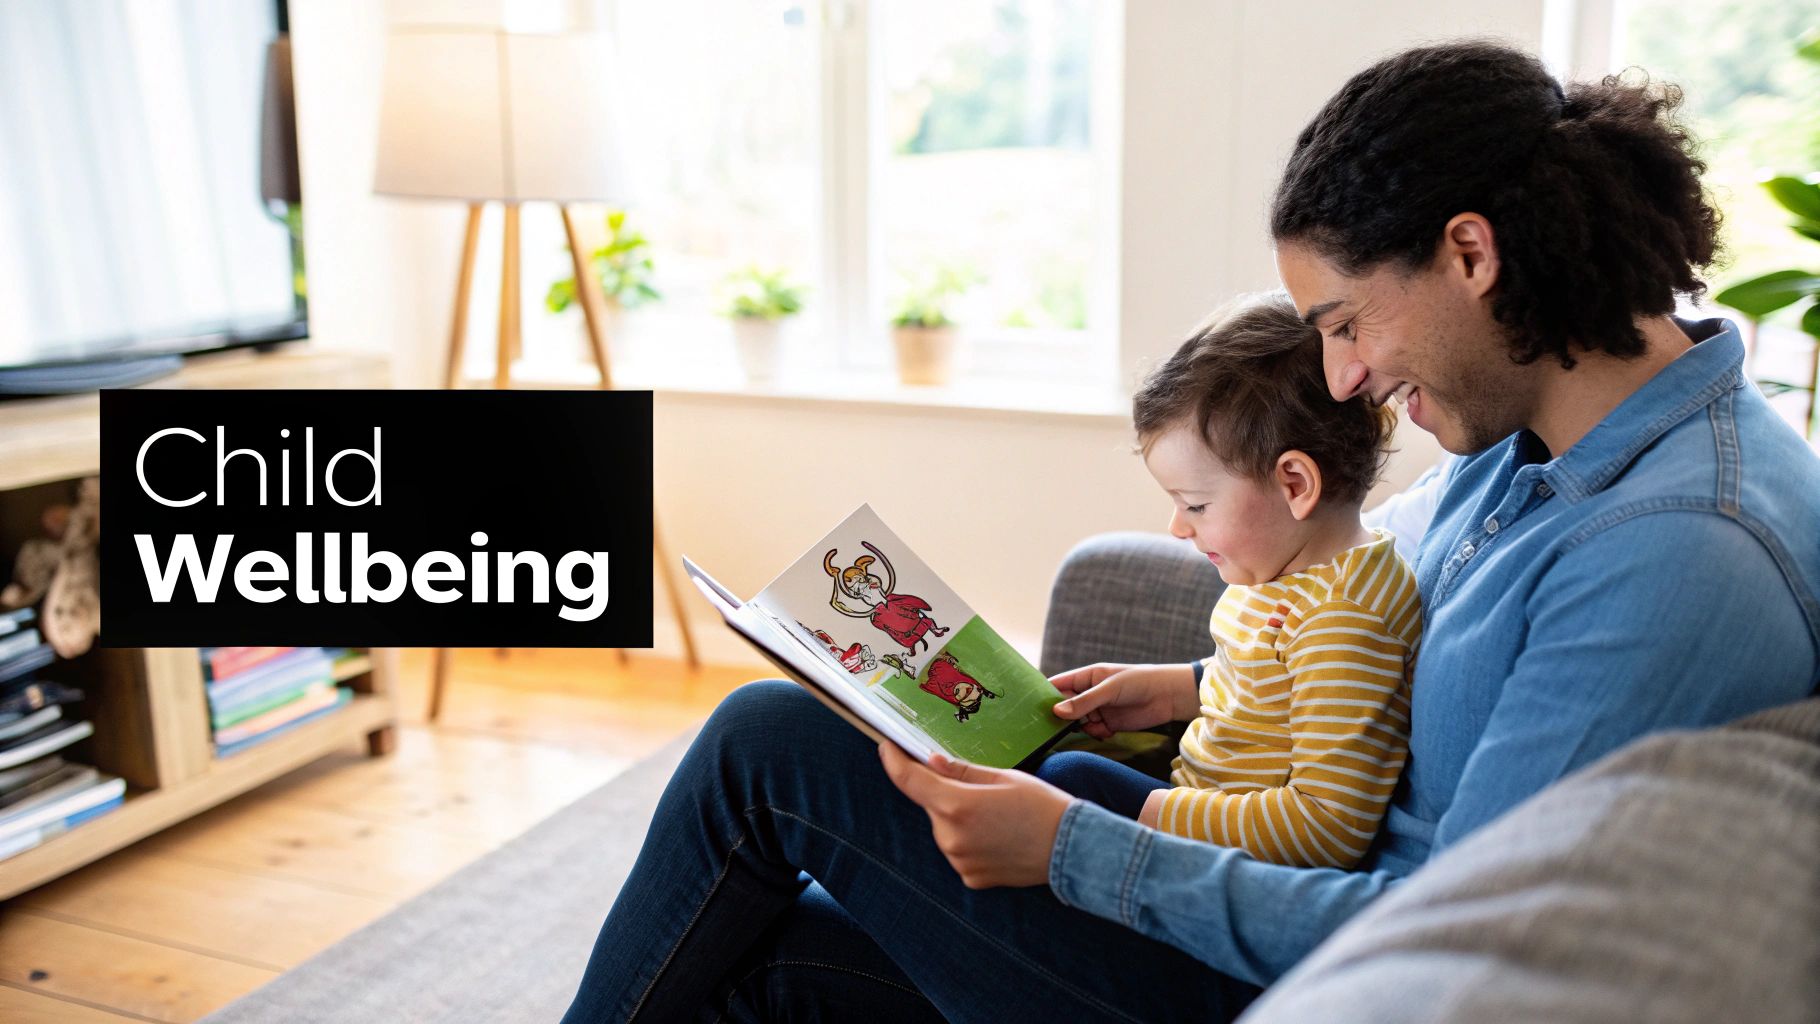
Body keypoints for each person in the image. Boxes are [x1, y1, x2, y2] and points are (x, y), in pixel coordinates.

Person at [561, 41, 1820, 1024]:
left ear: (1469, 254)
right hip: (1250, 921)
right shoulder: (1525, 447)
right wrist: (1196, 681)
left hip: (1283, 980)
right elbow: (1359, 645)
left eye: (1343, 322)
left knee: (765, 740)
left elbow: (1438, 938)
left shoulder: (1670, 555)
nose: (1339, 381)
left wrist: (1075, 855)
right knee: (751, 951)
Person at [1038, 292, 1421, 869]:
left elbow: (1329, 827)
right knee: (1047, 743)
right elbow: (1269, 689)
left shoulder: (1345, 622)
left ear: (1295, 484)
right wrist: (1168, 690)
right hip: (1198, 797)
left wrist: (1147, 810)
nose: (1177, 527)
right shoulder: (1289, 571)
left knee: (1067, 777)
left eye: (1195, 505)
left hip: (1222, 865)